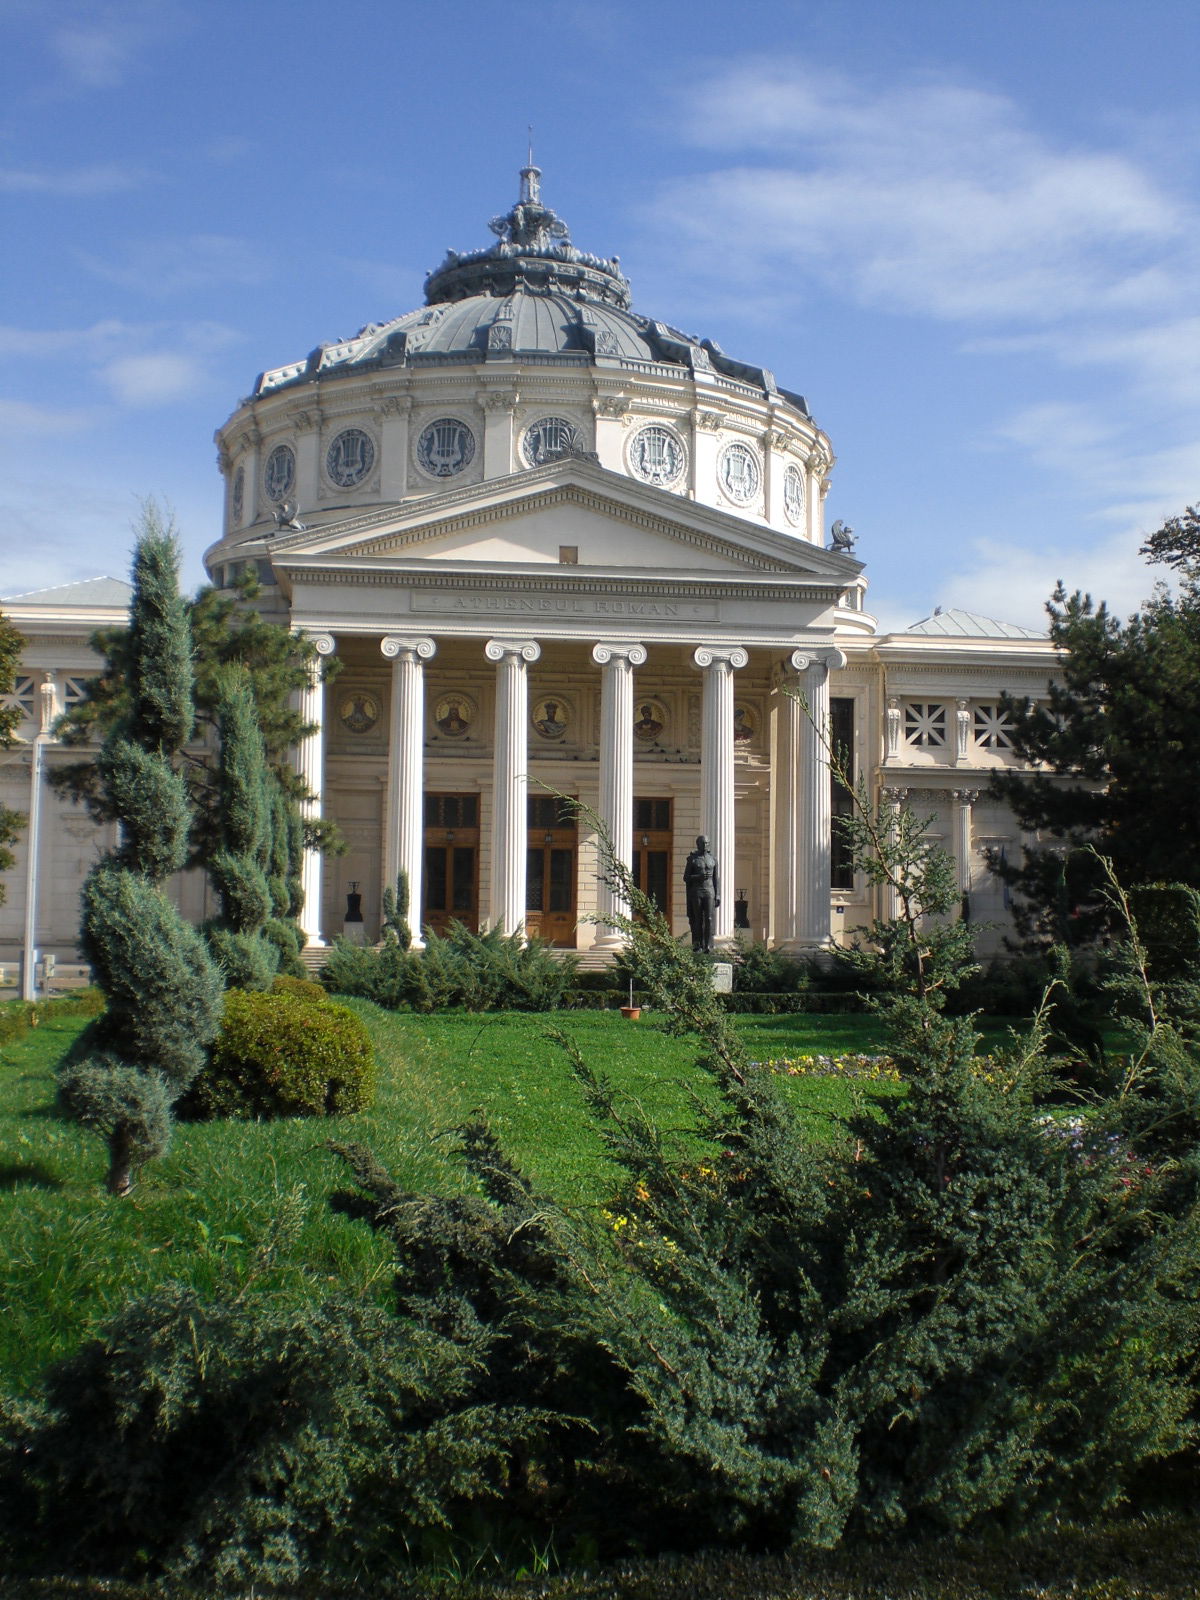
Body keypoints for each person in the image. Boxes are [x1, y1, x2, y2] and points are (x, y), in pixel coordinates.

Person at [683, 834, 720, 952]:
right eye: (703, 843)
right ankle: (697, 945)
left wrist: (718, 894)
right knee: (698, 919)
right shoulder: (692, 859)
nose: (705, 845)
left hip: (709, 891)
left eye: (707, 843)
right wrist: (698, 876)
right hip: (697, 891)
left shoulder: (713, 860)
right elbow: (686, 878)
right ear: (698, 844)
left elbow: (716, 879)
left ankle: (708, 945)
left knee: (709, 918)